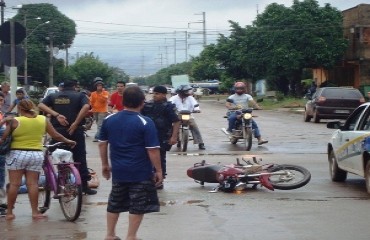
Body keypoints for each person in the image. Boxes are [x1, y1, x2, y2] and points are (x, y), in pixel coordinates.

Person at [98, 86, 163, 240]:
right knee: (138, 204)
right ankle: (131, 236)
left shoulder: (109, 120)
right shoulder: (145, 122)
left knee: (114, 202)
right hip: (140, 172)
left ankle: (110, 235)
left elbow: (102, 144)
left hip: (119, 172)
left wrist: (105, 165)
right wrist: (159, 170)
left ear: (123, 101)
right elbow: (152, 150)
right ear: (142, 102)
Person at [3, 99, 76, 220]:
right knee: (33, 184)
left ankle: (10, 213)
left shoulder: (15, 121)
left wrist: (3, 122)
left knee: (14, 184)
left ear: (20, 109)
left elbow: (4, 138)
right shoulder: (43, 120)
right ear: (33, 107)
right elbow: (56, 135)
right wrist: (68, 141)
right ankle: (35, 212)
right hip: (36, 155)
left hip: (17, 154)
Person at [38, 80, 97, 195]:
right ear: (75, 86)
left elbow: (40, 105)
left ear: (62, 87)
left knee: (60, 157)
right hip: (75, 131)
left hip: (58, 131)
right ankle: (84, 186)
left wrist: (56, 115)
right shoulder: (80, 95)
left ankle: (63, 183)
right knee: (80, 157)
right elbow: (86, 107)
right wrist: (75, 123)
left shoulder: (53, 96)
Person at [142, 85, 180, 188]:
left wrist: (174, 137)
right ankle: (148, 179)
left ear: (164, 95)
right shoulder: (147, 105)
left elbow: (176, 122)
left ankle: (160, 180)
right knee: (146, 158)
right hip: (147, 136)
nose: (154, 95)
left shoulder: (169, 107)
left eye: (157, 93)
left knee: (160, 158)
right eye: (154, 93)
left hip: (162, 136)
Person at [169, 85, 206, 150]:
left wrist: (197, 109)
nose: (188, 93)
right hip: (177, 115)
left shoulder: (191, 98)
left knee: (194, 126)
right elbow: (169, 104)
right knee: (172, 126)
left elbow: (195, 104)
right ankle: (171, 140)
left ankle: (200, 143)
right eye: (186, 91)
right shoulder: (173, 98)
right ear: (181, 92)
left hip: (188, 115)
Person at [90, 77, 109, 142]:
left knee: (100, 124)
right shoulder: (93, 93)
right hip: (95, 110)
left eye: (100, 85)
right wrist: (92, 108)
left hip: (103, 111)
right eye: (98, 85)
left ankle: (97, 137)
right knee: (98, 124)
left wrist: (101, 93)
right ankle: (103, 134)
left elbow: (104, 100)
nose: (99, 87)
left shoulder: (105, 93)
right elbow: (91, 102)